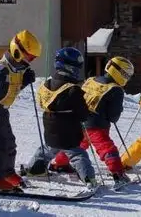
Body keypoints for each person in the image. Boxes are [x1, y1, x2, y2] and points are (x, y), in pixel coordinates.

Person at [49, 56, 135, 187]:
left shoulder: (91, 80)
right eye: (127, 75)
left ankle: (59, 164)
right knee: (107, 148)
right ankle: (118, 174)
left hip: (78, 120)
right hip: (97, 125)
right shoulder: (115, 89)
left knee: (76, 144)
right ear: (121, 74)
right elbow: (113, 117)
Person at [24, 47, 97, 189]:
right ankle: (89, 179)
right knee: (78, 155)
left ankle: (35, 170)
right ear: (71, 68)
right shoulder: (73, 90)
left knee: (47, 149)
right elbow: (82, 114)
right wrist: (88, 114)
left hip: (49, 127)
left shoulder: (46, 85)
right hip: (68, 133)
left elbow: (41, 103)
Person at [0, 30, 40, 190]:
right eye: (29, 57)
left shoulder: (17, 70)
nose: (29, 61)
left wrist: (24, 82)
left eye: (32, 58)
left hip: (2, 110)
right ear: (18, 51)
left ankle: (6, 173)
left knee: (9, 142)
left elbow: (11, 89)